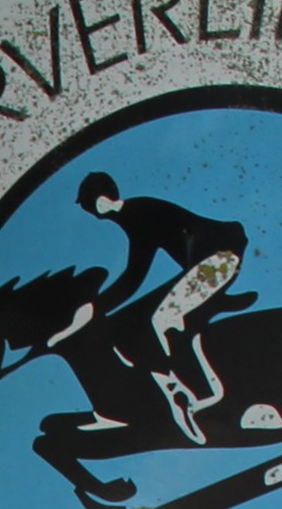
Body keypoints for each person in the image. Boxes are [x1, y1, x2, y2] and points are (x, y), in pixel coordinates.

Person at [76, 170, 245, 443]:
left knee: (163, 320)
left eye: (91, 207)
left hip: (220, 257)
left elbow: (135, 274)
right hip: (208, 262)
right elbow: (135, 274)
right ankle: (180, 390)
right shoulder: (134, 214)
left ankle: (206, 397)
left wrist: (96, 306)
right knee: (145, 318)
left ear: (102, 200)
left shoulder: (137, 212)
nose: (95, 215)